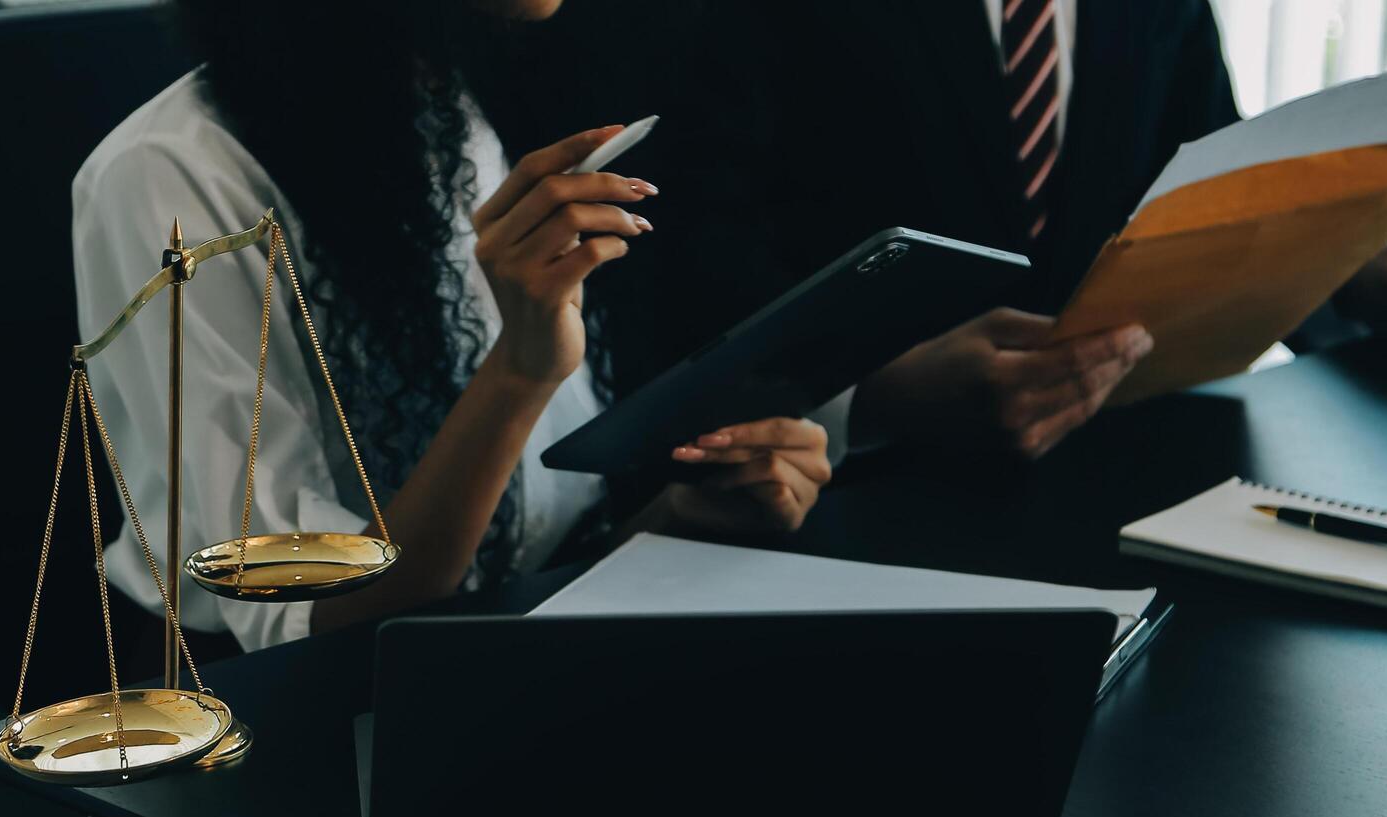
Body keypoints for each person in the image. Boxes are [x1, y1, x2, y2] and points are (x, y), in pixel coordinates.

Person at [71, 0, 832, 653]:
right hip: (285, 714)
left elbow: (526, 536)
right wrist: (520, 370)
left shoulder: (460, 96)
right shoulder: (168, 180)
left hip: (517, 635)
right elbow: (301, 612)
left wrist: (678, 517)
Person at [482, 0, 1387, 459]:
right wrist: (877, 400)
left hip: (1126, 488)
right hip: (839, 517)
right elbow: (688, 254)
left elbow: (1198, 196)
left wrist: (1348, 275)